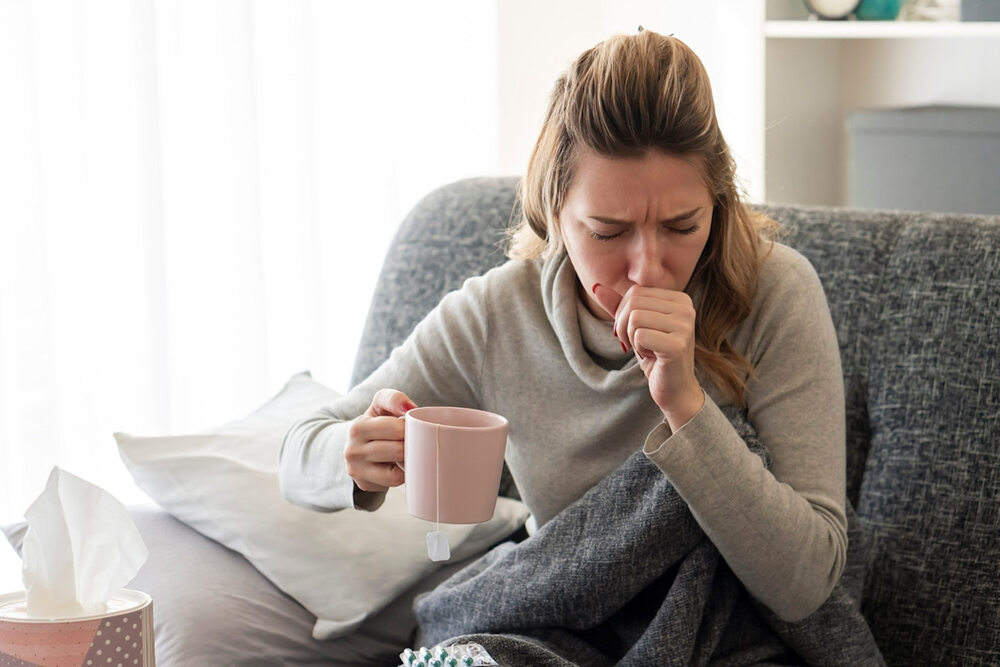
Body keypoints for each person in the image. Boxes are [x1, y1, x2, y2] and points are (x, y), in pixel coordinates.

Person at [279, 28, 846, 625]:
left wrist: (685, 405)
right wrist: (354, 455)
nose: (647, 269)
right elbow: (297, 451)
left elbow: (806, 585)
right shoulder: (499, 314)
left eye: (683, 227)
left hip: (725, 636)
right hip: (559, 627)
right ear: (552, 215)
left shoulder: (775, 292)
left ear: (719, 203)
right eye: (607, 232)